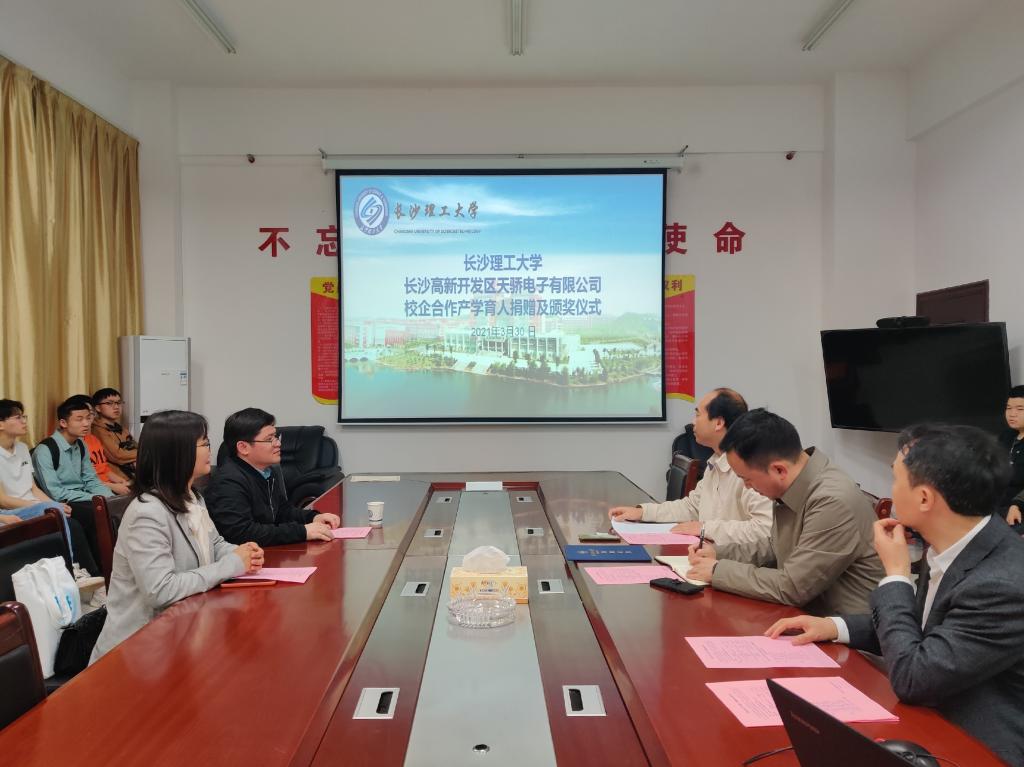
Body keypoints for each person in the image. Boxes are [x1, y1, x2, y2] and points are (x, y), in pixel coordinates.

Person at [765, 424, 1024, 766]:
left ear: (924, 498)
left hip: (979, 745)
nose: (890, 489)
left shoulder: (1003, 583)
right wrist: (835, 627)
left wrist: (897, 576)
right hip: (932, 716)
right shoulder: (955, 542)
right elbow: (923, 631)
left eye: (896, 479)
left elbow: (914, 677)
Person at [91, 410, 265, 662]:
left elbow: (214, 543)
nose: (210, 450)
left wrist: (243, 553)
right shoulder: (147, 513)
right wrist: (232, 564)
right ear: (177, 452)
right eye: (204, 443)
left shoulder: (193, 497)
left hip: (185, 631)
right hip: (140, 650)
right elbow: (161, 590)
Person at [687, 408, 883, 615]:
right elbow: (776, 546)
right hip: (806, 614)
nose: (746, 487)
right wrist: (719, 553)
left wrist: (717, 571)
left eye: (747, 479)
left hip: (844, 627)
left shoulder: (832, 501)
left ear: (778, 470)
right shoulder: (792, 483)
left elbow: (792, 587)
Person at [608, 388, 772, 546]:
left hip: (732, 560)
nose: (693, 421)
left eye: (698, 415)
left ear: (718, 423)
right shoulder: (716, 460)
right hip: (709, 554)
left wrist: (705, 529)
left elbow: (766, 529)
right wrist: (643, 512)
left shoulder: (749, 468)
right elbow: (692, 506)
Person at [0, 399, 104, 594]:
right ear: (1, 424)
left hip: (32, 505)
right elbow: (4, 500)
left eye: (24, 416)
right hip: (13, 509)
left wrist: (52, 504)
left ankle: (93, 574)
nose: (24, 421)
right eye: (18, 417)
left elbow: (33, 488)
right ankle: (73, 570)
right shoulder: (43, 450)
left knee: (72, 520)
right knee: (67, 519)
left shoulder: (21, 448)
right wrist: (47, 507)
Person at [206, 408, 339, 547]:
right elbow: (242, 533)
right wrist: (302, 531)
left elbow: (281, 511)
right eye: (269, 439)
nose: (278, 444)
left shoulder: (266, 472)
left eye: (276, 437)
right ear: (243, 447)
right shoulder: (228, 482)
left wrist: (313, 517)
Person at [32, 397, 114, 571]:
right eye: (79, 419)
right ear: (63, 423)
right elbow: (55, 492)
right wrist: (95, 498)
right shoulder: (45, 450)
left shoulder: (81, 444)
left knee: (114, 508)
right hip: (65, 501)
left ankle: (118, 564)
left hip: (84, 496)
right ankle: (100, 570)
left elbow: (91, 479)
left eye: (88, 418)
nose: (86, 423)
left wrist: (109, 497)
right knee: (95, 514)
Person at [65, 394, 130, 496]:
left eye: (90, 414)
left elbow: (104, 469)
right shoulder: (70, 444)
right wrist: (112, 487)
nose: (87, 421)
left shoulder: (94, 439)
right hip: (93, 491)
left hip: (107, 486)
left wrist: (121, 481)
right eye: (81, 417)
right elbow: (79, 481)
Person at [91, 387, 137, 479]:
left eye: (118, 403)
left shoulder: (122, 428)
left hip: (132, 474)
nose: (116, 407)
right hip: (116, 478)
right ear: (98, 408)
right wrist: (144, 454)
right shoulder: (97, 430)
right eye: (109, 403)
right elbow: (118, 456)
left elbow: (136, 446)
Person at [1001, 385, 1024, 525]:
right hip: (996, 502)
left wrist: (1016, 505)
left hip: (1017, 507)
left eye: (1020, 409)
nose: (1012, 414)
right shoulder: (1007, 436)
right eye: (1009, 408)